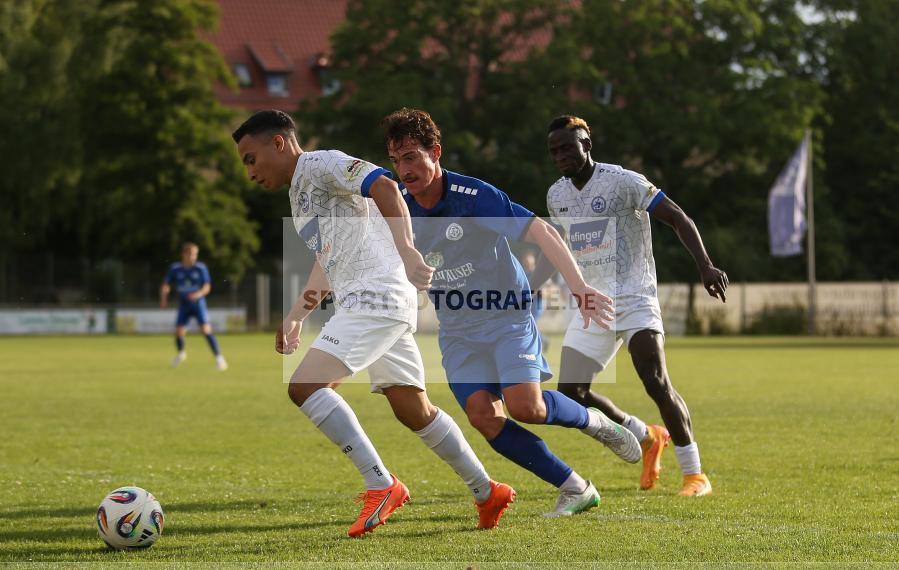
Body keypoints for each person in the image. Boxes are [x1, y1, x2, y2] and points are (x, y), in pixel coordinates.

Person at [231, 110, 515, 537]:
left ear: (278, 143)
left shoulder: (321, 163)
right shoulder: (300, 195)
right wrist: (296, 316)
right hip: (369, 301)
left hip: (376, 296)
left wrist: (406, 250)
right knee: (413, 410)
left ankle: (380, 484)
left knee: (304, 386)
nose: (249, 172)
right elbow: (330, 261)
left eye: (251, 158)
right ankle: (486, 490)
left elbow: (384, 185)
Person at [382, 108, 641, 518]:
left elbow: (542, 231)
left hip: (506, 314)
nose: (404, 170)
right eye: (396, 161)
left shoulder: (474, 197)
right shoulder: (398, 207)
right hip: (457, 328)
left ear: (436, 153)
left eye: (412, 157)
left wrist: (580, 287)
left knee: (527, 408)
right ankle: (575, 487)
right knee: (483, 417)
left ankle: (596, 423)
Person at [538, 114, 729, 496]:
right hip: (594, 303)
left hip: (635, 296)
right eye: (554, 150)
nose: (560, 155)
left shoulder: (623, 181)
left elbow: (677, 217)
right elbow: (559, 247)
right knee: (569, 394)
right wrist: (532, 287)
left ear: (586, 145)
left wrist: (705, 266)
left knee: (656, 382)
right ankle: (644, 436)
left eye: (567, 147)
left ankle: (695, 475)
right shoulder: (556, 195)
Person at [160, 242, 227, 371]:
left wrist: (198, 294)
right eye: (190, 254)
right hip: (184, 306)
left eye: (195, 254)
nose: (193, 257)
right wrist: (164, 296)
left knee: (206, 330)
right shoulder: (175, 268)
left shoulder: (200, 268)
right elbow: (166, 284)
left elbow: (207, 287)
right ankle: (181, 354)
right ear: (184, 254)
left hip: (198, 305)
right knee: (179, 332)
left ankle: (220, 360)